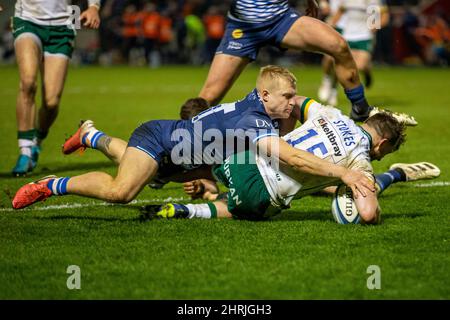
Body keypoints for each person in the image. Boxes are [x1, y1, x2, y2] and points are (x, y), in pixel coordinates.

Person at [12, 65, 375, 210]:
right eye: (286, 98)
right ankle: (52, 185)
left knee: (136, 168)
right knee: (121, 192)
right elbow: (291, 158)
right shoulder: (255, 120)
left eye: (292, 98)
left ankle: (90, 135)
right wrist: (343, 173)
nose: (293, 103)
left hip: (182, 156)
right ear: (265, 96)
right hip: (162, 141)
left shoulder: (263, 103)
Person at [154, 98, 440, 223]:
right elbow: (366, 213)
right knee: (245, 205)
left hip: (243, 156)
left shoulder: (330, 113)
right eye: (385, 152)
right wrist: (375, 213)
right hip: (261, 192)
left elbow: (294, 101)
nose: (379, 156)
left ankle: (164, 172)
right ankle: (188, 210)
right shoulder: (361, 161)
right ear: (383, 143)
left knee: (215, 168)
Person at [194, 0, 416, 125]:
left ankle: (360, 108)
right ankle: (176, 154)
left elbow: (378, 14)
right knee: (208, 97)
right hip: (244, 26)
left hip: (281, 19)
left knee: (337, 45)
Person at [11, 0, 101, 176]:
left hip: (63, 25)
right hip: (28, 19)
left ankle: (37, 141)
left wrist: (93, 7)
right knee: (28, 82)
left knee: (51, 102)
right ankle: (25, 151)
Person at [318, 0, 390, 106]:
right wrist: (331, 25)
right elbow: (340, 12)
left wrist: (375, 26)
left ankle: (367, 71)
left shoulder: (374, 1)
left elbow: (384, 16)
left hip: (365, 36)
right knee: (336, 61)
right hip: (348, 35)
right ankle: (332, 87)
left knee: (359, 66)